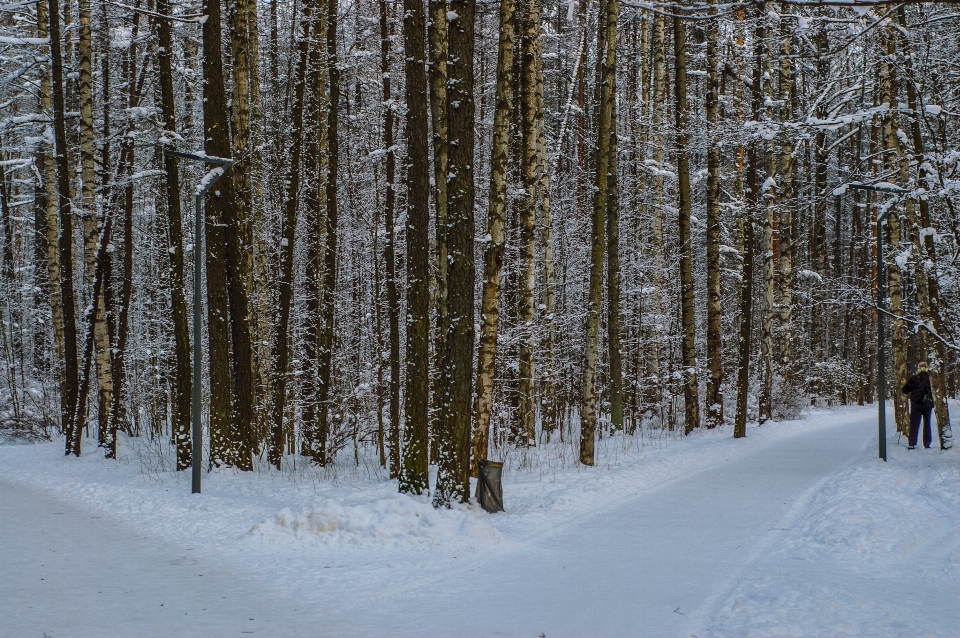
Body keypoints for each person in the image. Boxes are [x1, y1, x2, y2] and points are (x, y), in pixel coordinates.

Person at [902, 362, 934, 450]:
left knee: (914, 423)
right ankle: (927, 443)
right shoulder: (930, 378)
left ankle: (912, 443)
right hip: (927, 404)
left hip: (916, 404)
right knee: (927, 423)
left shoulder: (914, 378)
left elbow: (904, 390)